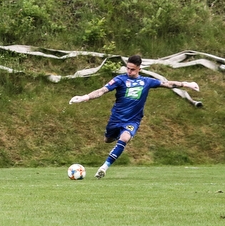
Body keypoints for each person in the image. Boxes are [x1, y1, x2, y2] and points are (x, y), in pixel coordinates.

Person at [70, 54, 200, 179]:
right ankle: (117, 136)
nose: (129, 71)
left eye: (132, 69)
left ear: (139, 69)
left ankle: (104, 167)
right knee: (107, 139)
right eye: (128, 68)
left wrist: (186, 83)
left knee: (125, 138)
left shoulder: (146, 81)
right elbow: (102, 90)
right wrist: (84, 97)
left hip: (133, 120)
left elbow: (167, 84)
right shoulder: (119, 80)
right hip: (116, 118)